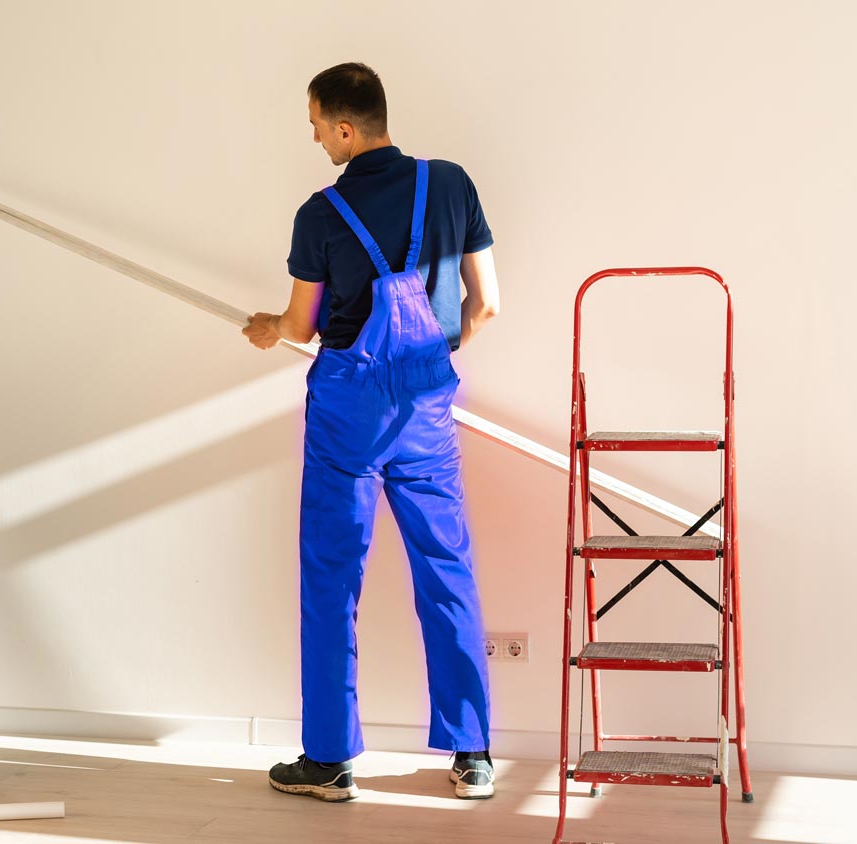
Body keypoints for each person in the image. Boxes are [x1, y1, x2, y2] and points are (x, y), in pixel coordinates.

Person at [242, 62, 501, 803]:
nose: (317, 137)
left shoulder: (320, 213)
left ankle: (328, 762)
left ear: (347, 128)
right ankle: (472, 755)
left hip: (345, 415)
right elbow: (487, 306)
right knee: (446, 571)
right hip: (424, 408)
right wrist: (424, 362)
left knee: (331, 579)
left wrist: (268, 329)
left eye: (319, 125)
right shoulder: (451, 184)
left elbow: (299, 324)